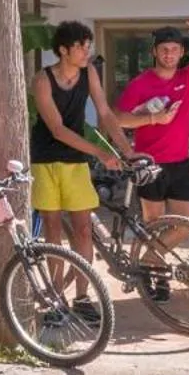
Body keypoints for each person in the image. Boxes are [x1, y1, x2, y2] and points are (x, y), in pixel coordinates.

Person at [29, 20, 132, 322]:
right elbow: (57, 129)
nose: (87, 51)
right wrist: (101, 152)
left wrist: (126, 150)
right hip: (46, 159)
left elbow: (104, 112)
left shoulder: (90, 74)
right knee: (52, 231)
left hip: (76, 161)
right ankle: (54, 298)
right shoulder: (43, 79)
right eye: (81, 46)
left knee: (83, 228)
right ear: (63, 50)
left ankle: (83, 297)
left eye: (89, 45)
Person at [114, 17, 189, 224]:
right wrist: (154, 118)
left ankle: (149, 258)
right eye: (163, 49)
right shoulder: (139, 84)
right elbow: (117, 119)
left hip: (180, 163)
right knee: (153, 225)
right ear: (154, 52)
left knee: (187, 225)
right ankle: (149, 256)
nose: (168, 54)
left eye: (174, 49)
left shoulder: (188, 77)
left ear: (182, 52)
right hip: (150, 164)